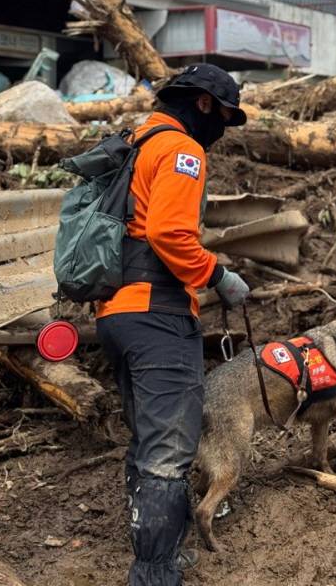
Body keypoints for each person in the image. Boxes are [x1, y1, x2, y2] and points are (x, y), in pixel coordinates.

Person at [96, 64, 250, 586]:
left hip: (117, 313)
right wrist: (218, 274)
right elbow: (168, 233)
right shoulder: (183, 150)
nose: (224, 130)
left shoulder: (135, 141)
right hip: (157, 315)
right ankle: (155, 571)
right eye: (226, 117)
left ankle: (152, 549)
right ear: (204, 104)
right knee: (169, 445)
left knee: (146, 438)